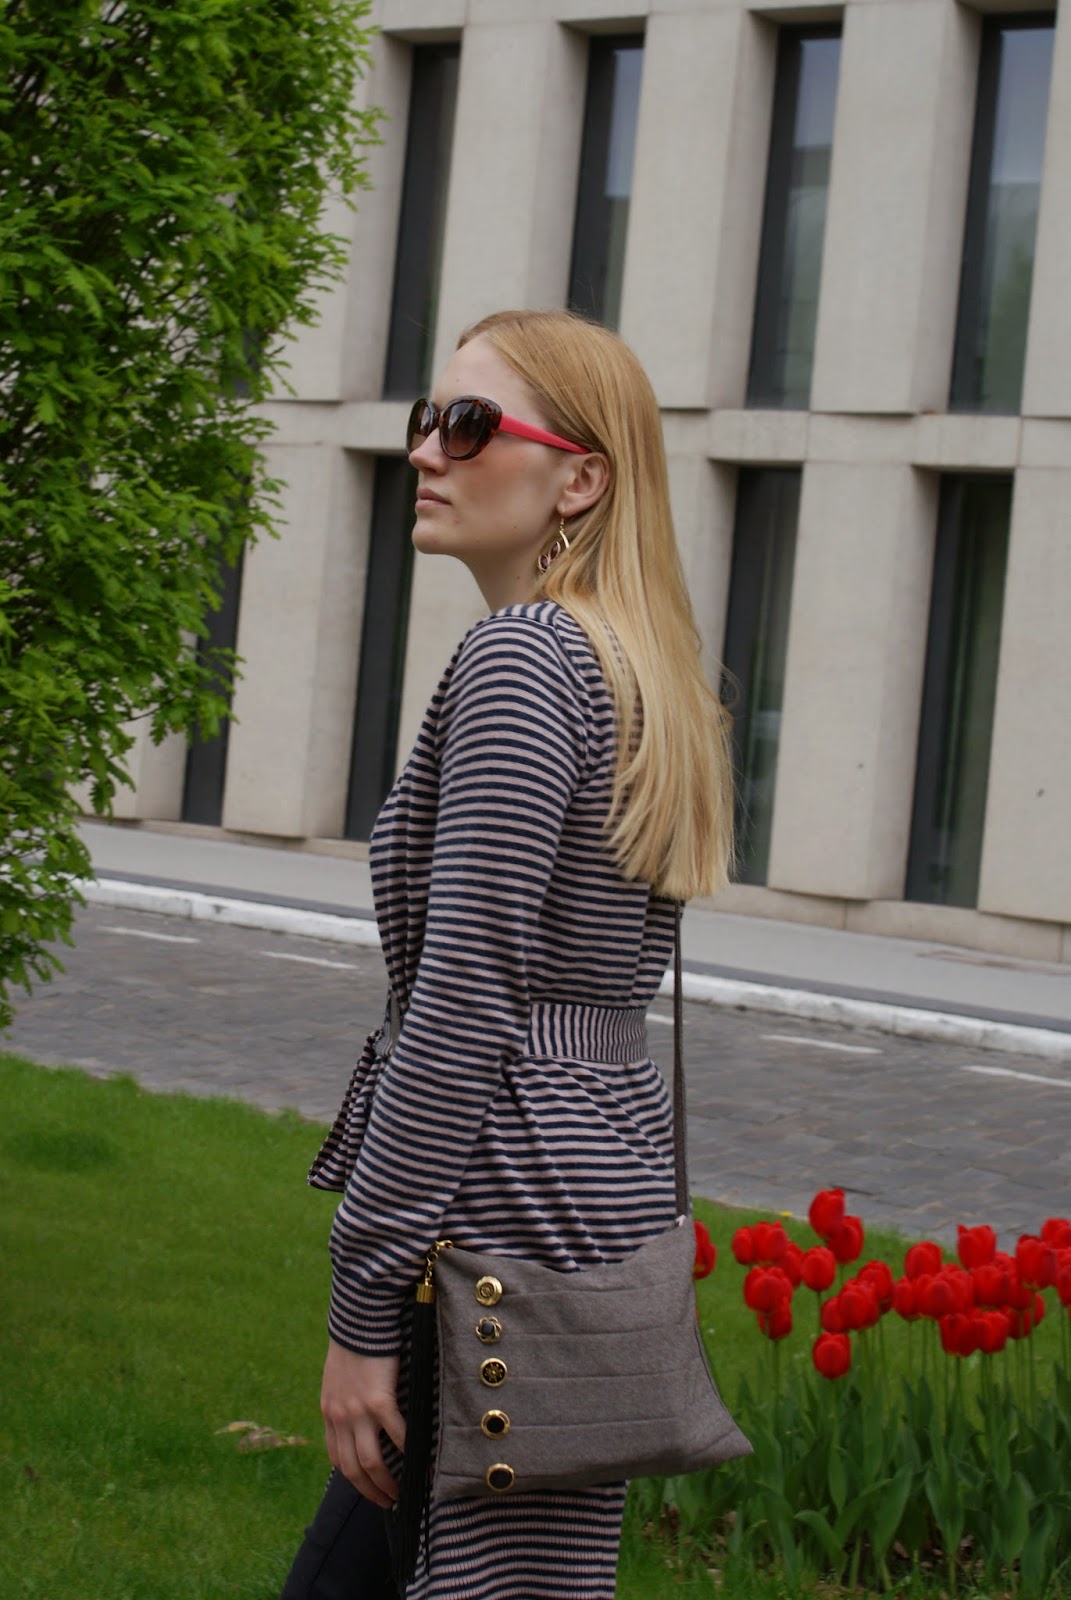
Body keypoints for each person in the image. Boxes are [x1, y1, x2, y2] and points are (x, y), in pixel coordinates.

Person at [280, 308, 734, 1600]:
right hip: (594, 1196)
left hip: (500, 1213)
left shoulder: (527, 660)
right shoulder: (644, 671)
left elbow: (464, 1008)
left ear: (578, 479)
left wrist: (363, 1308)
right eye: (428, 418)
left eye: (470, 424)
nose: (427, 448)